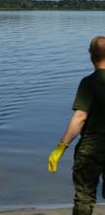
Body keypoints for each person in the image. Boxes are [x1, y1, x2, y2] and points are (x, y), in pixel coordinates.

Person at [48, 36, 105, 215]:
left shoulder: (89, 82)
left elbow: (80, 116)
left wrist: (60, 148)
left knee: (85, 197)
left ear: (90, 55)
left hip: (92, 148)